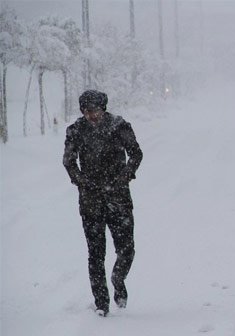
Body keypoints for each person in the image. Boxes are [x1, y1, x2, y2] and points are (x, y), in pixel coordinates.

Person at [63, 90, 143, 317]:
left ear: (103, 108)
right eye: (87, 112)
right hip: (90, 201)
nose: (92, 116)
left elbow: (136, 154)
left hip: (119, 198)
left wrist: (125, 176)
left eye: (95, 111)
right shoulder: (76, 130)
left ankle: (118, 279)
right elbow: (68, 161)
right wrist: (82, 182)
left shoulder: (119, 126)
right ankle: (101, 303)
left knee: (127, 250)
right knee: (96, 254)